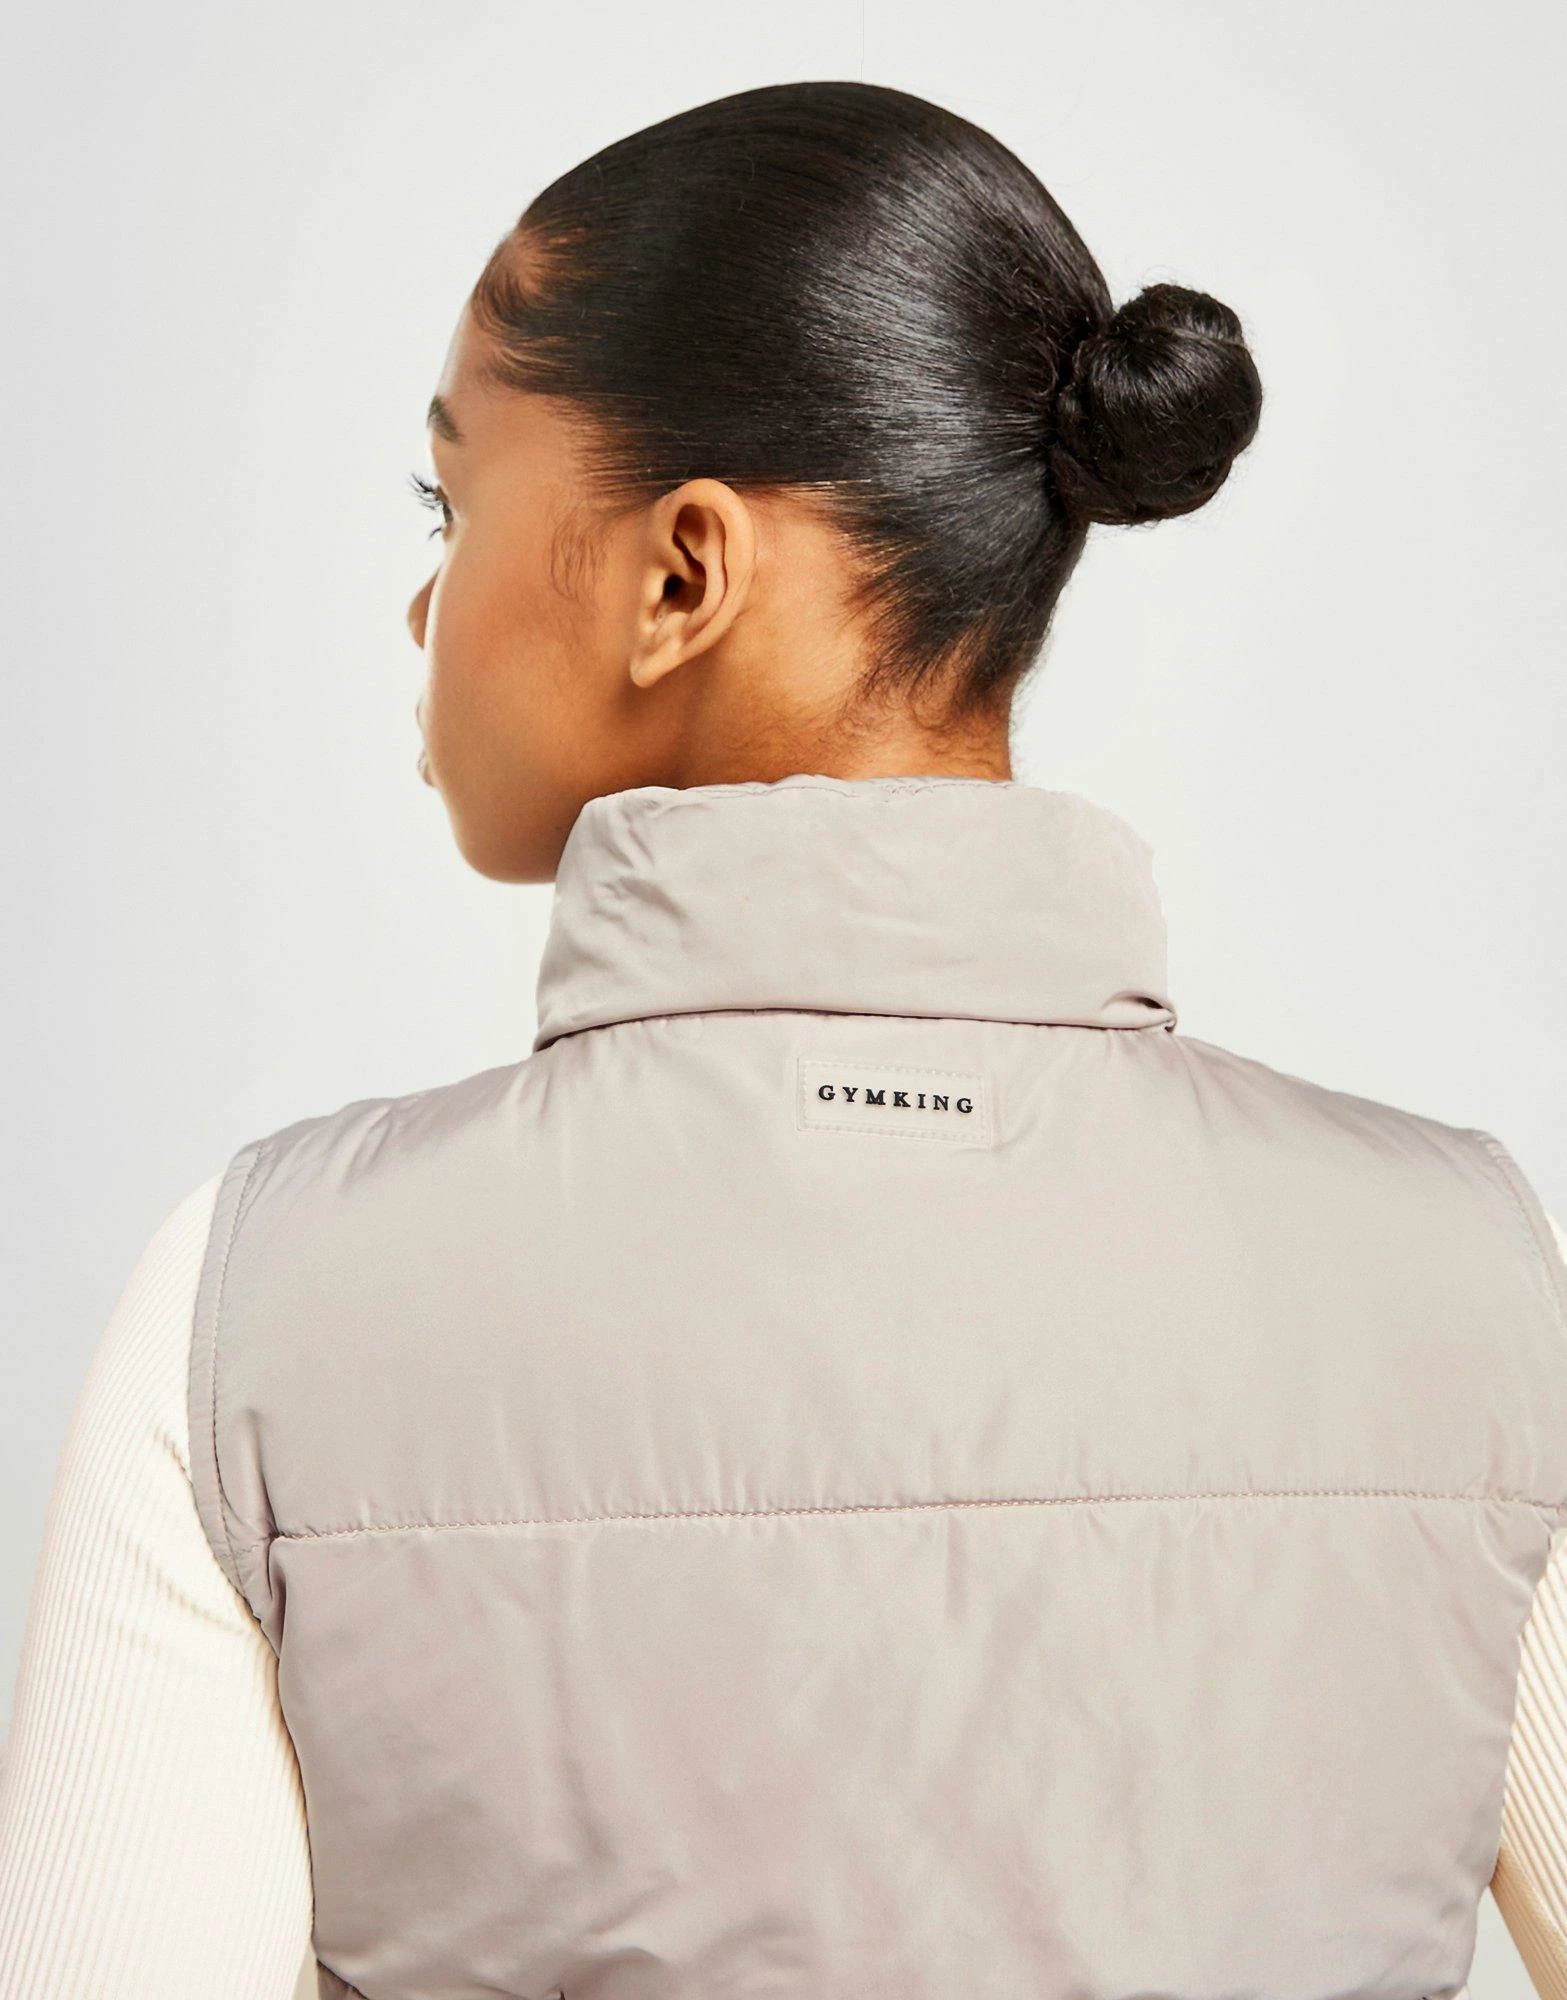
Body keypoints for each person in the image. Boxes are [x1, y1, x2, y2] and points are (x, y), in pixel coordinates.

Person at [1, 77, 1565, 2000]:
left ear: (681, 575)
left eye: (450, 502)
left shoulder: (250, 1313)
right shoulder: (1473, 1286)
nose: (424, 599)